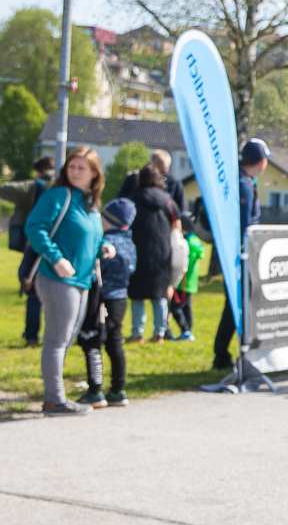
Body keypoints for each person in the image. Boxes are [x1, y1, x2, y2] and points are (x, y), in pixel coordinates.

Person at [24, 148, 116, 416]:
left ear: (94, 174)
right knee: (56, 339)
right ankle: (55, 400)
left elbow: (91, 239)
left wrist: (105, 246)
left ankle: (56, 396)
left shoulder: (89, 204)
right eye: (72, 166)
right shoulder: (58, 195)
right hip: (57, 278)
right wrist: (56, 258)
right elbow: (34, 227)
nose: (75, 171)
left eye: (81, 168)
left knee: (65, 338)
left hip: (82, 280)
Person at [212, 138, 267, 371]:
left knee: (235, 304)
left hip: (237, 254)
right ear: (261, 161)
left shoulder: (244, 181)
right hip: (239, 256)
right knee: (236, 304)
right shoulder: (243, 185)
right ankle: (222, 353)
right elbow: (243, 224)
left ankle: (223, 353)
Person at [77, 197, 137, 408]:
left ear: (108, 221)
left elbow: (94, 266)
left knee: (92, 340)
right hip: (121, 298)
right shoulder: (130, 243)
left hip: (102, 298)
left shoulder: (106, 242)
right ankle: (118, 389)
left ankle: (95, 390)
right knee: (115, 342)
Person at [3, 156, 57, 345]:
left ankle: (32, 336)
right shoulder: (64, 184)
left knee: (33, 293)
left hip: (36, 240)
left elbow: (8, 190)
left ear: (39, 170)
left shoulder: (35, 186)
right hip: (61, 242)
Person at [126, 164, 178, 343]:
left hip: (138, 251)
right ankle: (160, 332)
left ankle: (137, 333)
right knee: (160, 295)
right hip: (162, 253)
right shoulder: (167, 201)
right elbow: (176, 226)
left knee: (137, 296)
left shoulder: (132, 199)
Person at [117, 148, 186, 216]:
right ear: (151, 165)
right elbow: (120, 203)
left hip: (163, 224)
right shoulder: (133, 179)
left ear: (168, 167)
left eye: (163, 172)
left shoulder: (174, 183)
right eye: (157, 171)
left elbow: (180, 212)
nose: (159, 176)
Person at [168, 217, 206, 341]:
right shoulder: (196, 240)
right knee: (187, 307)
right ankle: (188, 330)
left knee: (175, 307)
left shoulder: (185, 242)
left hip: (182, 281)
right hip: (191, 282)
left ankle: (186, 331)